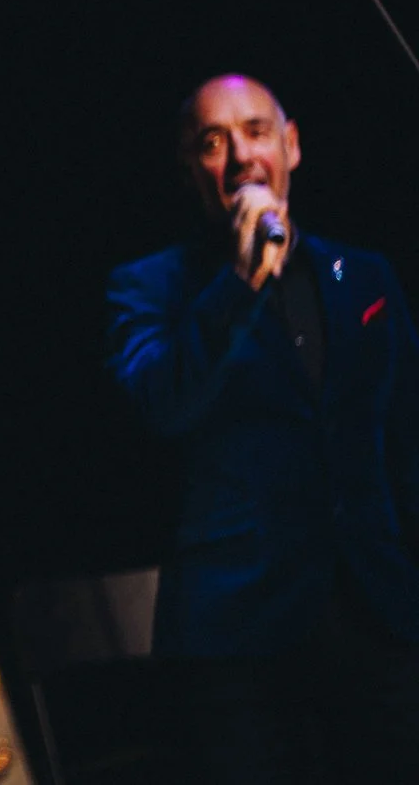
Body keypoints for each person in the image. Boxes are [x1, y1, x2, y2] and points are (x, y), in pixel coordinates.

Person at [105, 73, 419, 783]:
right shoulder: (149, 285)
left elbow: (406, 439)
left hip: (377, 618)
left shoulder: (362, 274)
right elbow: (161, 405)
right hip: (238, 642)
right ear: (191, 171)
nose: (242, 156)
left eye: (256, 131)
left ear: (292, 146)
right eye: (213, 143)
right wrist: (239, 286)